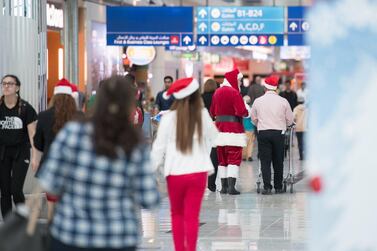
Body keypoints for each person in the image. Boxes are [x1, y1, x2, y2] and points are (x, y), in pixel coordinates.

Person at [37, 76, 160, 251]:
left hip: (71, 234)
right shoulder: (134, 144)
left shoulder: (73, 132)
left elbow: (49, 183)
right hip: (118, 237)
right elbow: (149, 199)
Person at [151, 77, 218, 251]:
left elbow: (158, 148)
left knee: (177, 214)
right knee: (192, 216)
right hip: (198, 172)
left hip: (175, 173)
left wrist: (149, 170)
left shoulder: (167, 118)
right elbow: (214, 137)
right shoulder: (202, 114)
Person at [32, 78, 79, 222]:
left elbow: (38, 143)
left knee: (52, 204)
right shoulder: (78, 117)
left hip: (50, 167)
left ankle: (52, 235)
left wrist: (36, 159)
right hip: (74, 167)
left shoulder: (44, 116)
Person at [0, 74, 37, 219]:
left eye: (10, 83)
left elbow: (33, 134)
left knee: (16, 189)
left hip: (21, 152)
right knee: (5, 191)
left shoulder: (26, 108)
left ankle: (22, 221)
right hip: (2, 152)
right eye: (4, 83)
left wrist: (35, 156)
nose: (6, 86)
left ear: (17, 87)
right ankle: (8, 227)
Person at [251, 75, 294, 195]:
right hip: (278, 134)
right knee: (278, 160)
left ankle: (267, 187)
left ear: (265, 87)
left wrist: (260, 124)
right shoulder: (283, 101)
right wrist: (284, 124)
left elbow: (253, 118)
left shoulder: (257, 101)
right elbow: (290, 120)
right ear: (276, 88)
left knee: (265, 161)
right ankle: (278, 187)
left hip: (263, 133)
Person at [210, 69, 249, 195]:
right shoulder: (234, 93)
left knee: (222, 160)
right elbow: (241, 111)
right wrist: (247, 109)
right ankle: (232, 187)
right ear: (234, 79)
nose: (241, 83)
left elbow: (212, 112)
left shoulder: (217, 92)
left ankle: (224, 187)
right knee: (233, 158)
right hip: (233, 130)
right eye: (239, 80)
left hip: (219, 130)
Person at [202, 79, 218, 192]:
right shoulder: (217, 96)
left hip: (202, 127)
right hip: (215, 125)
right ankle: (211, 183)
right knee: (213, 153)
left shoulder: (200, 97)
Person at [242, 96, 256, 162]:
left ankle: (244, 156)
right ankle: (249, 155)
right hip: (250, 127)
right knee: (250, 142)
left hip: (243, 127)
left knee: (244, 142)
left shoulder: (241, 108)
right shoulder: (251, 108)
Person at [293, 95, 307, 160]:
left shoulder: (295, 109)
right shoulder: (307, 109)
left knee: (300, 143)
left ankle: (301, 156)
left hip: (298, 128)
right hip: (306, 128)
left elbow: (293, 118)